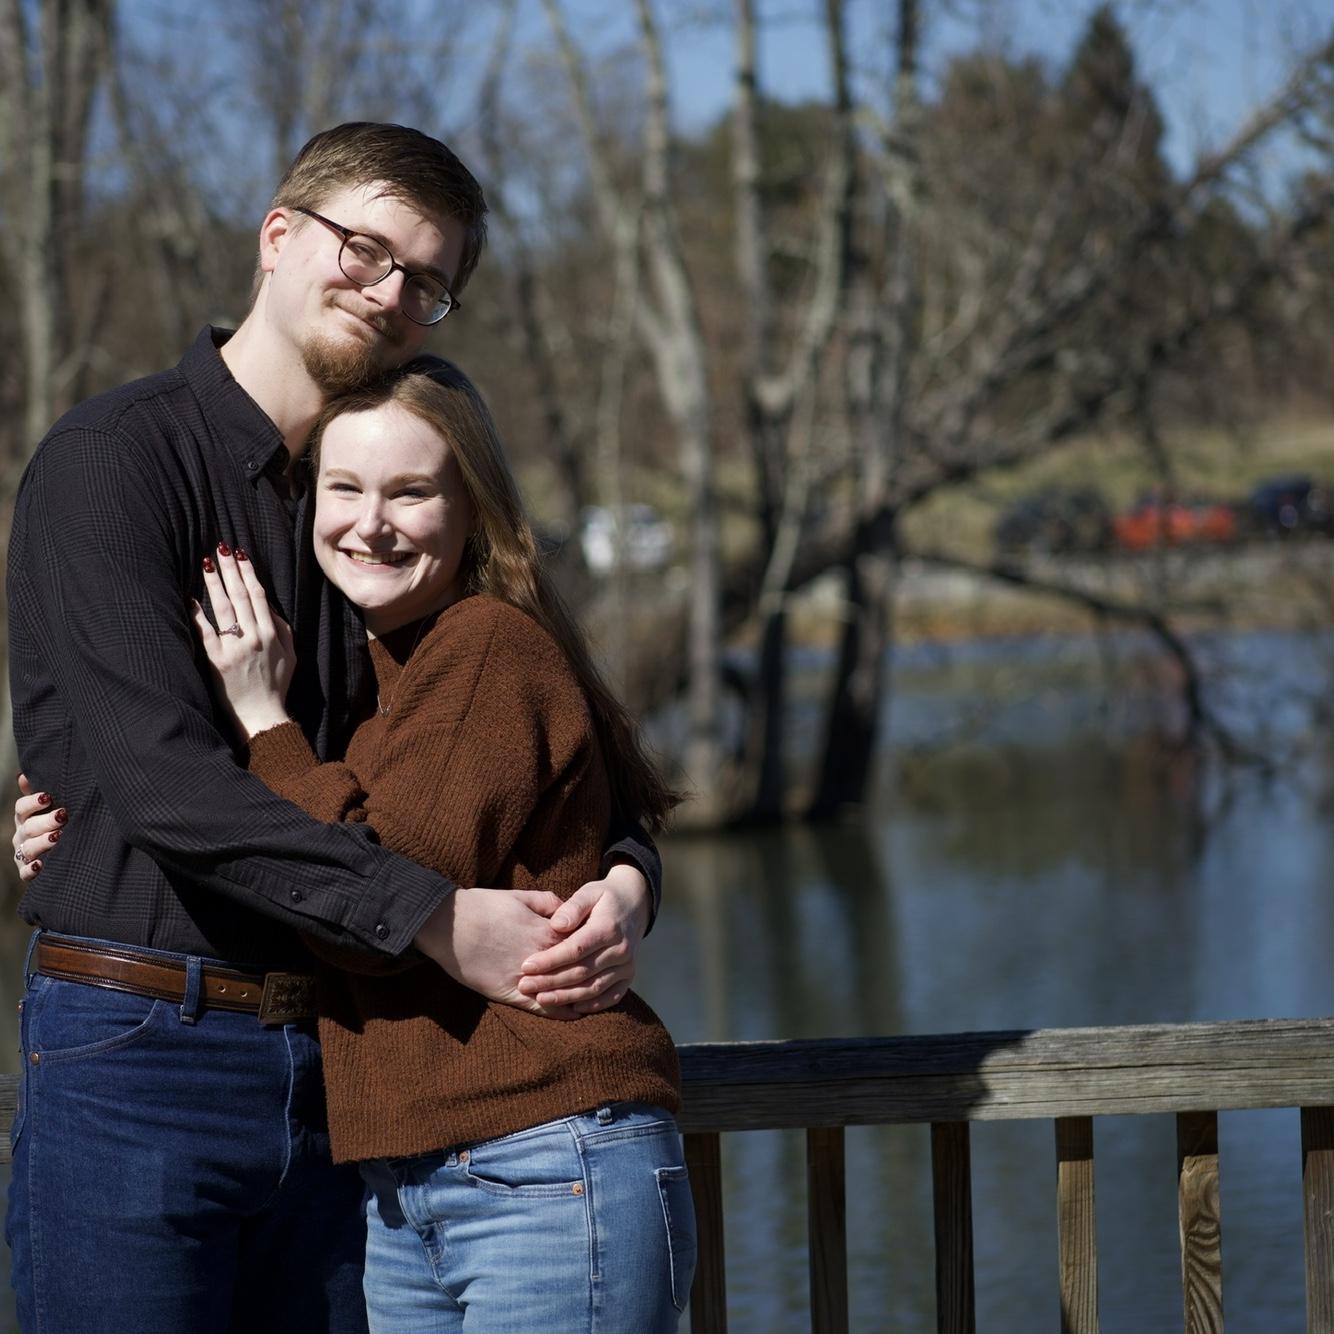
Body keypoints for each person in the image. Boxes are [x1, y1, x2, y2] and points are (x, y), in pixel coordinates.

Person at [6, 122, 661, 1334]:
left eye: (428, 280)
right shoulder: (114, 462)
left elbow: (536, 745)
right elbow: (164, 785)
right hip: (146, 1046)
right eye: (366, 249)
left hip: (346, 1082)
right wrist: (432, 918)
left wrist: (626, 875)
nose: (392, 291)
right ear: (277, 238)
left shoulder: (374, 509)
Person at [193, 358, 695, 1331]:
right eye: (343, 487)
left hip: (541, 1161)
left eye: (410, 490)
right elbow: (620, 815)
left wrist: (263, 717)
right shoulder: (398, 673)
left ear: (473, 507)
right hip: (419, 1182)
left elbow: (360, 895)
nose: (367, 521)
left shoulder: (480, 648)